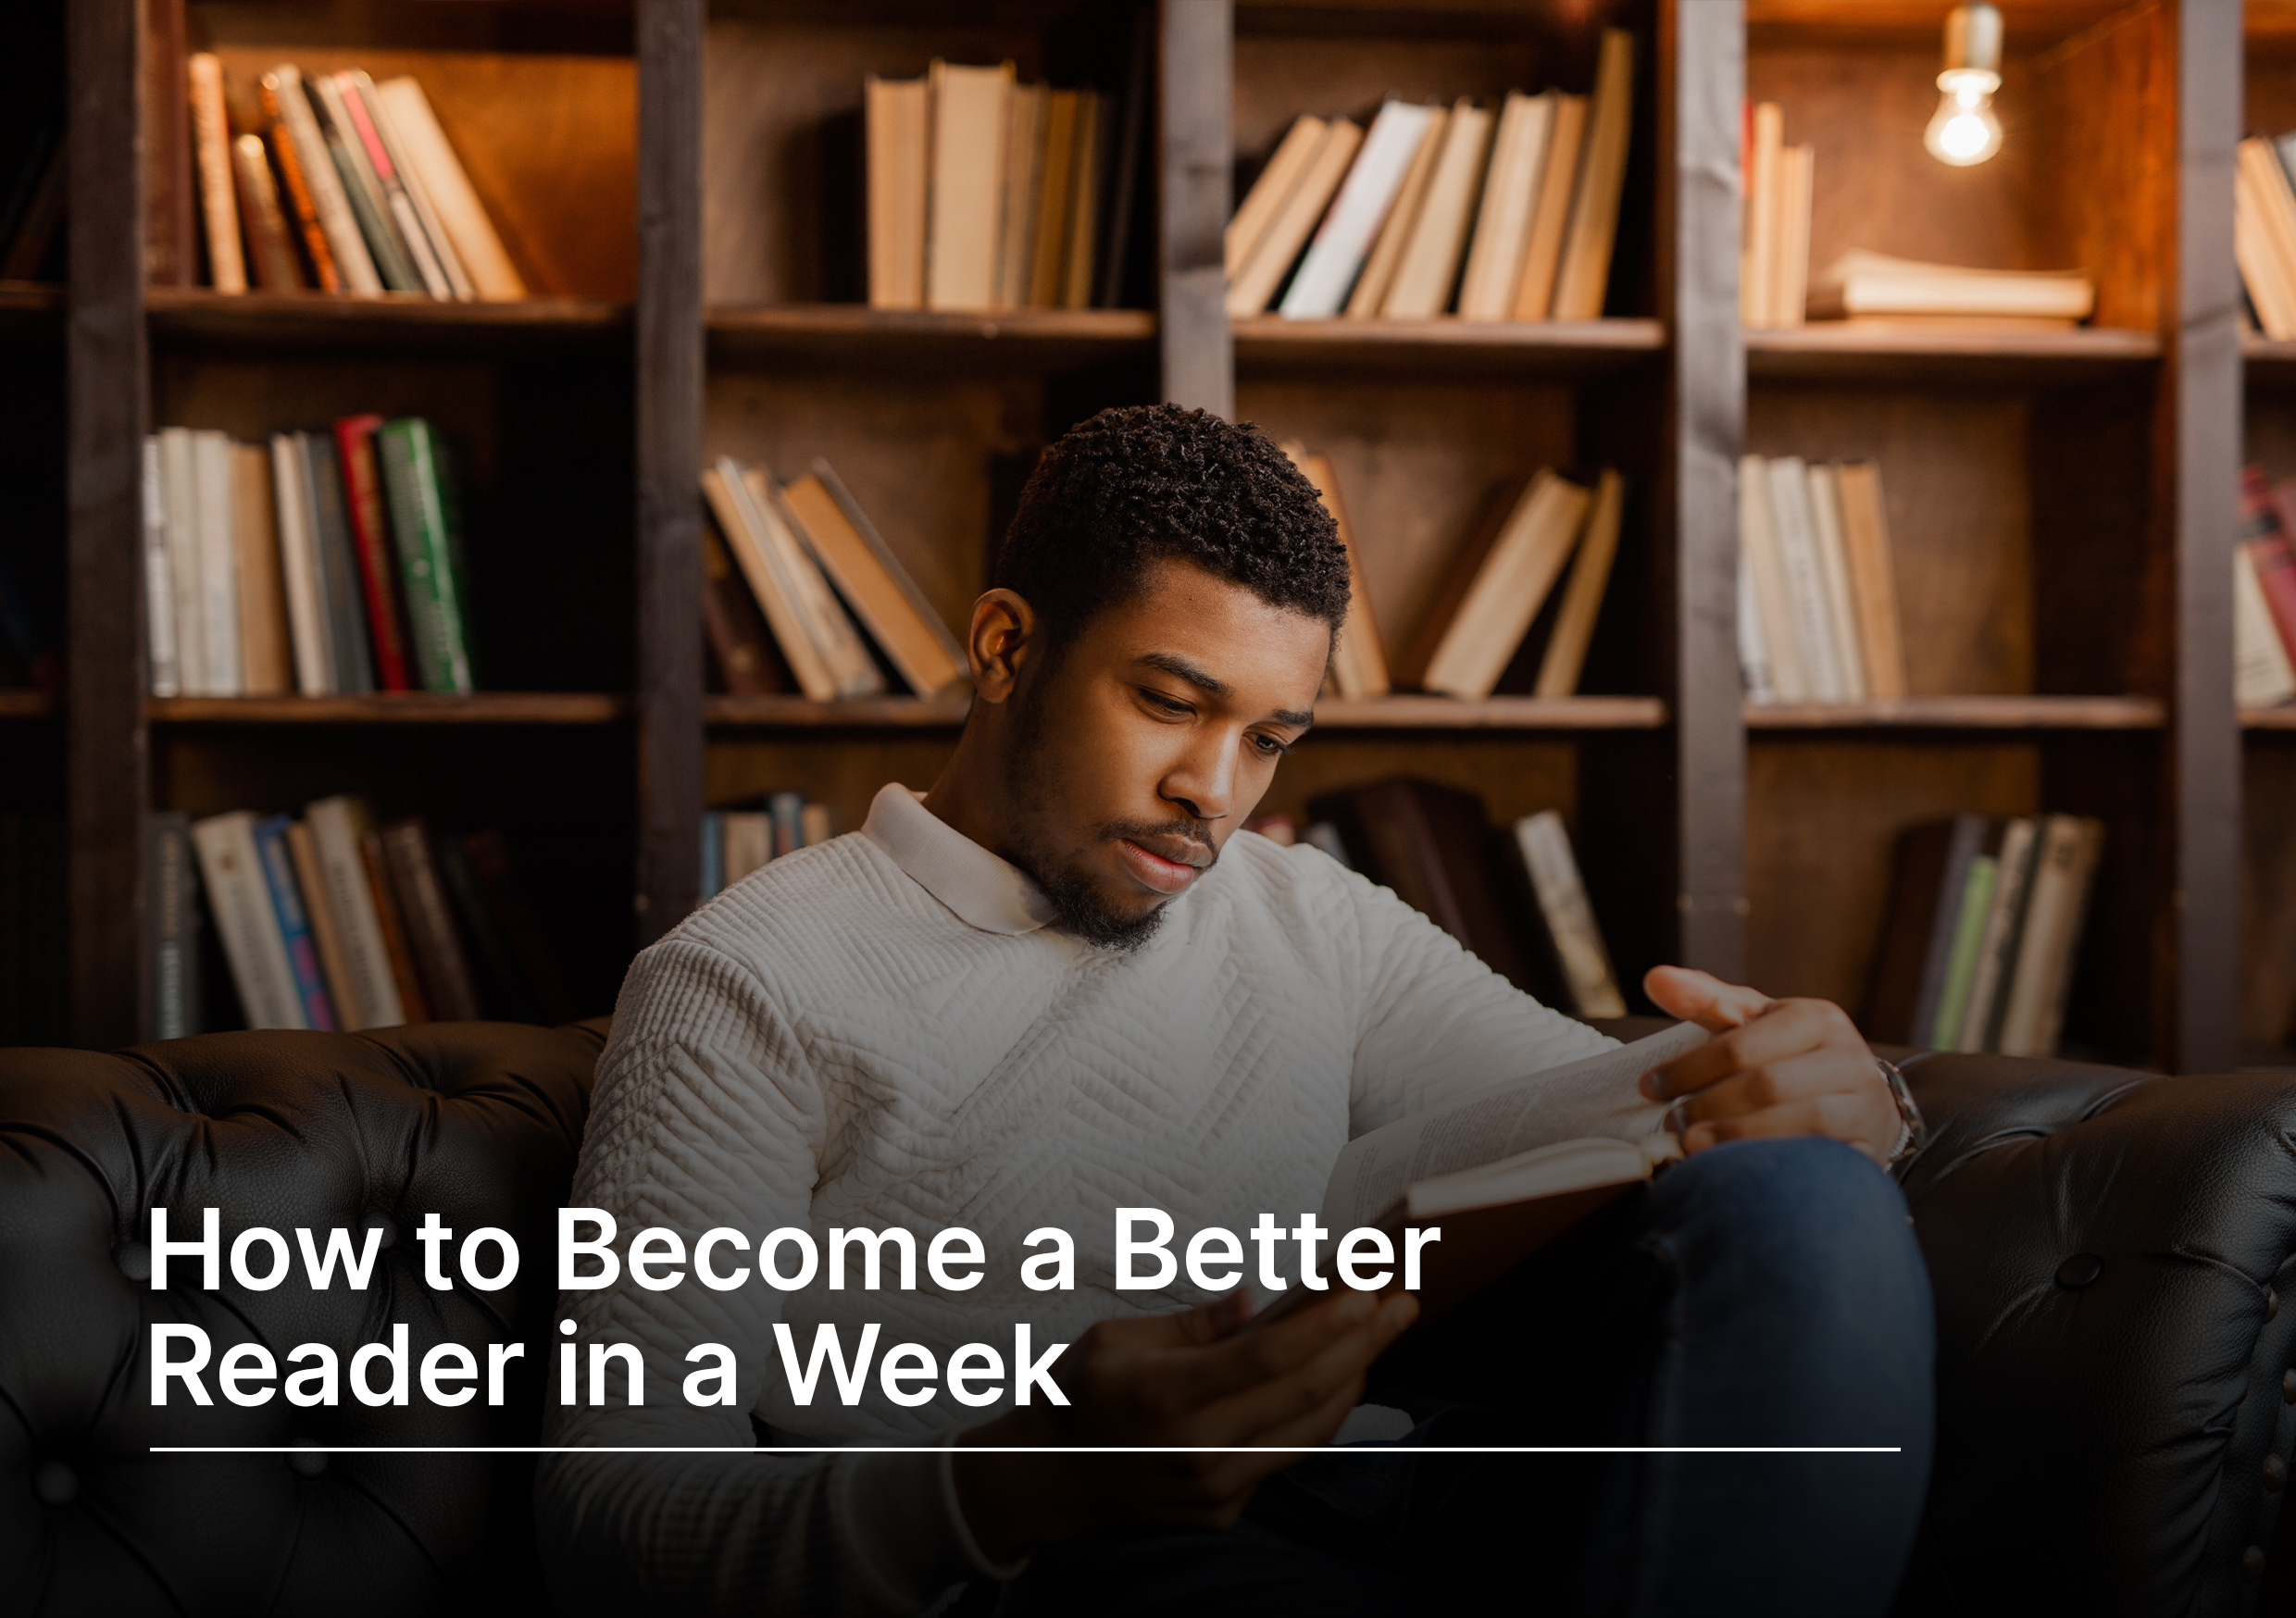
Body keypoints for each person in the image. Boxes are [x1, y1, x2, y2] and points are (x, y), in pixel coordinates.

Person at [539, 405, 1933, 1616]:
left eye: (1269, 739)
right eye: (1169, 702)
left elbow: (1606, 1127)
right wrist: (1013, 1482)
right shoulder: (746, 981)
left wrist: (1809, 1092)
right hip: (1061, 1566)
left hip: (1408, 1499)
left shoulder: (1300, 912)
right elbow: (611, 1532)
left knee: (1798, 1197)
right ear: (1007, 648)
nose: (1216, 789)